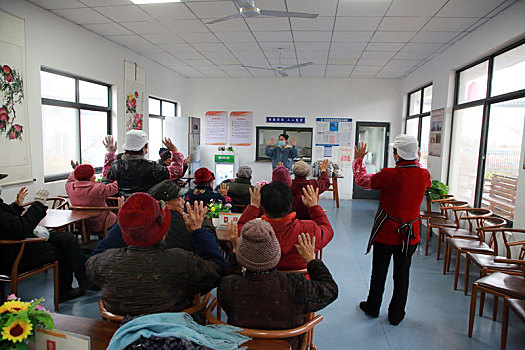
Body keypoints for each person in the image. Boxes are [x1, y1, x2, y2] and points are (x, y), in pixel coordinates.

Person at [86, 193, 224, 316]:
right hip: (173, 331)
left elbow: (91, 262)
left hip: (117, 335)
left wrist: (125, 222)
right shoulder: (182, 262)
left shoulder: (103, 263)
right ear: (163, 230)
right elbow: (217, 271)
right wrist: (199, 231)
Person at [219, 220, 338, 350]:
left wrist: (235, 250)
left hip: (240, 346)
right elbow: (330, 290)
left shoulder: (228, 287)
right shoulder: (295, 285)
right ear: (276, 253)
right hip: (289, 345)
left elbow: (229, 276)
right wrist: (311, 260)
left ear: (241, 256)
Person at [353, 135, 431, 325]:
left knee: (379, 272)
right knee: (402, 274)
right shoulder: (424, 175)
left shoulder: (389, 175)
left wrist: (358, 160)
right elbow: (422, 182)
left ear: (397, 154)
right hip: (410, 235)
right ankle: (396, 314)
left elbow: (362, 180)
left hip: (386, 233)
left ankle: (373, 306)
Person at [0, 177, 90, 302]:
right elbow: (21, 229)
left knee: (65, 238)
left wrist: (16, 206)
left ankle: (85, 279)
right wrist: (38, 205)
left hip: (15, 245)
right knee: (61, 250)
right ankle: (65, 291)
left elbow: (10, 223)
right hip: (13, 254)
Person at [90, 180, 216, 255]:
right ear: (164, 204)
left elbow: (98, 254)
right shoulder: (190, 225)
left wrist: (123, 222)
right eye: (178, 198)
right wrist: (200, 228)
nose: (182, 202)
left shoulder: (134, 225)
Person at [238, 183, 333, 271]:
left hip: (264, 283)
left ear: (262, 207)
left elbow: (239, 231)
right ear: (290, 204)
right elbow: (328, 230)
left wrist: (253, 207)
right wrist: (313, 207)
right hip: (301, 284)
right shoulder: (308, 229)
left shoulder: (253, 231)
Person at [102, 131, 184, 198]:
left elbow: (106, 172)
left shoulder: (117, 165)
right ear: (144, 147)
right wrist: (175, 151)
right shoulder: (152, 167)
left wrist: (111, 153)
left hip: (125, 206)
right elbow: (176, 171)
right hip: (146, 206)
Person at [65, 164, 119, 233]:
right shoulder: (98, 188)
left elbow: (70, 178)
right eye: (93, 175)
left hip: (81, 224)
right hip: (102, 224)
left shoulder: (70, 187)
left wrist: (76, 168)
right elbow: (116, 186)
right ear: (90, 177)